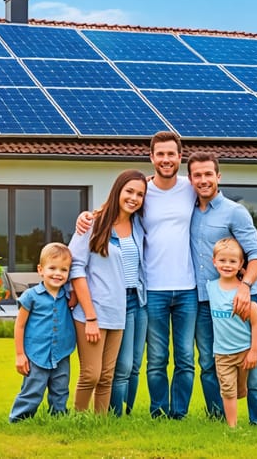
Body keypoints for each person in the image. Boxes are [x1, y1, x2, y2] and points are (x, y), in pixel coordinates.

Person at [77, 131, 202, 419]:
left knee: (184, 358)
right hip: (151, 291)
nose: (166, 159)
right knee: (152, 360)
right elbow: (117, 207)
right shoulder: (142, 189)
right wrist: (88, 216)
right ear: (151, 157)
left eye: (171, 154)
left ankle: (178, 414)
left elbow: (214, 204)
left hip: (186, 288)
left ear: (180, 157)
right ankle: (149, 413)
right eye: (160, 154)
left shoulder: (190, 187)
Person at [188, 150, 257, 426]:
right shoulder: (187, 209)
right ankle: (220, 419)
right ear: (190, 179)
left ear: (218, 176)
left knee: (254, 365)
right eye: (197, 175)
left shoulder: (235, 212)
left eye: (208, 174)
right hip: (205, 301)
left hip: (242, 299)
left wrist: (246, 286)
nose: (203, 180)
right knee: (210, 364)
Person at [68, 169, 147, 414]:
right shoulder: (93, 223)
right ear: (117, 191)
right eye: (129, 191)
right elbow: (76, 267)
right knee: (90, 374)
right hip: (93, 310)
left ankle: (100, 424)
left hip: (121, 308)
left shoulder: (138, 226)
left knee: (107, 375)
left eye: (140, 194)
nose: (134, 198)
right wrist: (90, 316)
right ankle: (79, 420)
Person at [9, 243, 76, 423]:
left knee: (61, 389)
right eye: (52, 268)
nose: (58, 273)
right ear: (40, 270)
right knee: (33, 389)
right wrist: (20, 355)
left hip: (61, 352)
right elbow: (19, 326)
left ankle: (58, 419)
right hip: (36, 353)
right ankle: (19, 420)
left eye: (64, 269)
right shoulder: (31, 296)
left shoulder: (68, 296)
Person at [206, 237, 257, 428]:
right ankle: (232, 426)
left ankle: (252, 412)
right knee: (228, 390)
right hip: (221, 353)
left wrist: (254, 351)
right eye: (222, 260)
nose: (227, 265)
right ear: (214, 262)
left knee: (241, 390)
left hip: (244, 352)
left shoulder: (243, 292)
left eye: (232, 261)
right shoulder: (210, 287)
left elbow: (256, 322)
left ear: (240, 265)